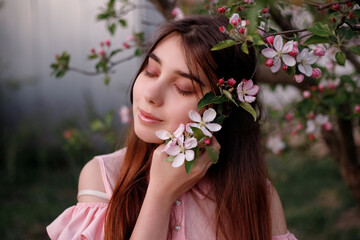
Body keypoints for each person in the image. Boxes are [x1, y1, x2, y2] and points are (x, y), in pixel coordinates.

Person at [47, 15, 297, 240]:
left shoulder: (257, 196)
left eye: (183, 88)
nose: (151, 94)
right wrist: (160, 194)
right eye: (151, 71)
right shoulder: (103, 177)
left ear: (224, 110)